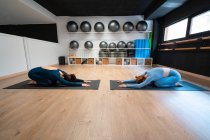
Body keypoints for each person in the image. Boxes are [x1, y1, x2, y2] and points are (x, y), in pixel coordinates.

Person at [118, 67, 182, 88]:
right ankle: (171, 81)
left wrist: (126, 85)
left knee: (157, 84)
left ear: (144, 80)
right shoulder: (145, 73)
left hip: (176, 76)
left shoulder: (150, 77)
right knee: (154, 82)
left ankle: (175, 84)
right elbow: (136, 79)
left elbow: (139, 86)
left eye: (145, 81)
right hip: (169, 74)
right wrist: (124, 81)